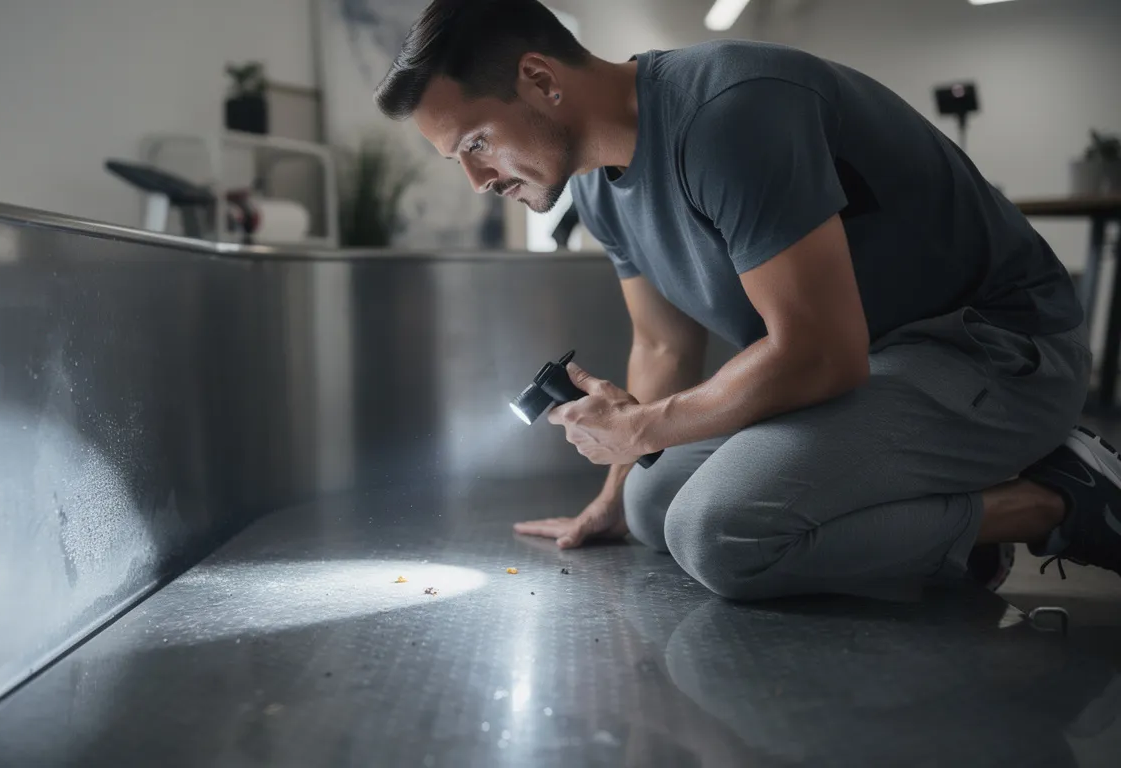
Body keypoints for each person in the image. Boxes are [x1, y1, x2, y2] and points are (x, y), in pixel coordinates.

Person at [374, 0, 1121, 600]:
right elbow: (664, 346)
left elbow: (820, 353)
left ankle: (1060, 498)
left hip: (996, 351)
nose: (478, 179)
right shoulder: (598, 187)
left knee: (718, 533)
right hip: (883, 371)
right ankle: (948, 537)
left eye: (475, 142)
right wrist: (612, 490)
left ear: (539, 79)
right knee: (650, 505)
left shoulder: (729, 110)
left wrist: (643, 428)